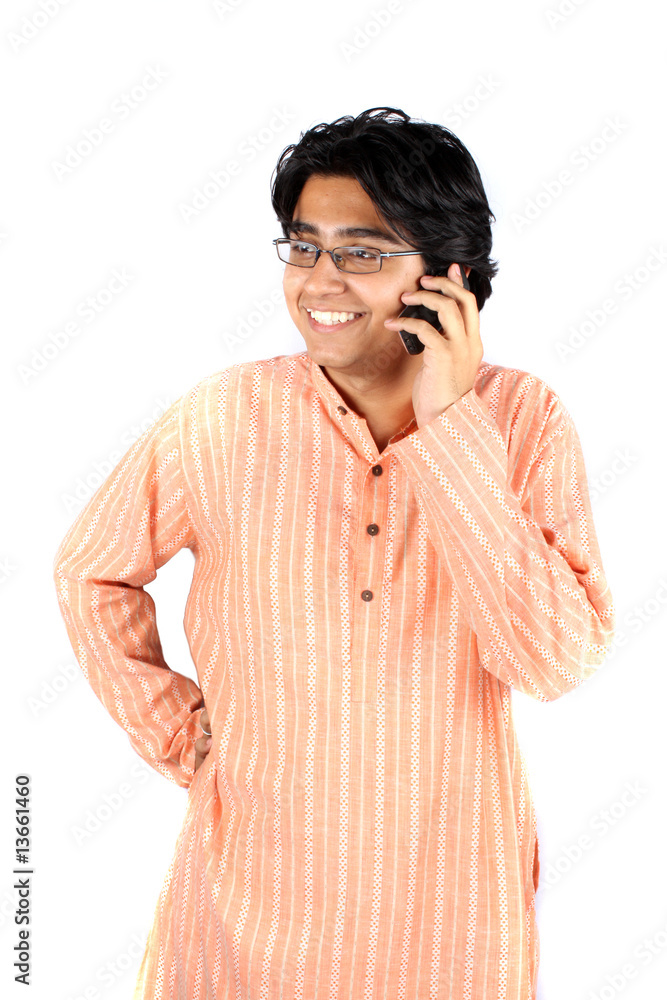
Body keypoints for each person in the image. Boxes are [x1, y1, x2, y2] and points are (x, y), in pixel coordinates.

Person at [53, 106, 615, 1000]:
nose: (320, 279)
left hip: (451, 920)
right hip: (245, 911)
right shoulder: (223, 418)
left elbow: (552, 663)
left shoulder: (521, 421)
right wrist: (178, 732)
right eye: (304, 246)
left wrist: (449, 425)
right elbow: (91, 570)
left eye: (361, 253)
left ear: (448, 275)